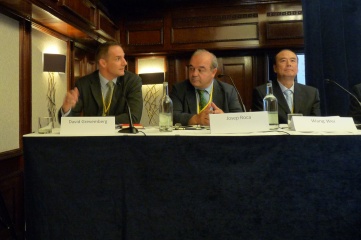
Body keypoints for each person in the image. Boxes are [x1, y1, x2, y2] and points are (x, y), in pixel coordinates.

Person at [58, 42, 143, 124]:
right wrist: (66, 109)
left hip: (121, 137)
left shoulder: (132, 81)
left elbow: (134, 117)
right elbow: (68, 121)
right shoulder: (84, 84)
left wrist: (98, 122)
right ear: (103, 63)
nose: (125, 63)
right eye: (118, 59)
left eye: (123, 57)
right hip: (92, 137)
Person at [170, 49, 243, 126]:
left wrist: (224, 118)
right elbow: (172, 116)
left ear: (213, 72)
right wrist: (196, 119)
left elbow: (239, 118)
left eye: (200, 70)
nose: (194, 74)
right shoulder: (179, 89)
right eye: (191, 69)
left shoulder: (228, 90)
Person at [252, 49, 321, 124]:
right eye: (283, 60)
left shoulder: (311, 93)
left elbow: (316, 123)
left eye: (292, 60)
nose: (289, 64)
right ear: (275, 68)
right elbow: (260, 123)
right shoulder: (262, 92)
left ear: (297, 68)